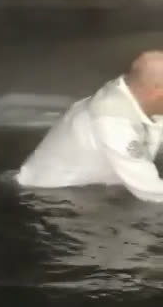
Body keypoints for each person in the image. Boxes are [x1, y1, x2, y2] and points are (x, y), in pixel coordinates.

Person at [15, 50, 163, 202]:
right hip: (52, 198)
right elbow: (150, 191)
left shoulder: (136, 93)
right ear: (156, 93)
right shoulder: (112, 120)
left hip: (92, 191)